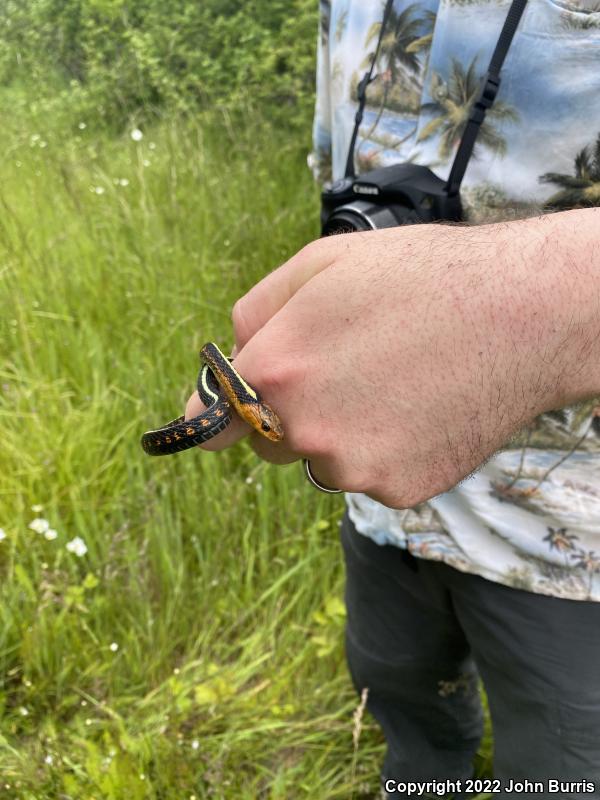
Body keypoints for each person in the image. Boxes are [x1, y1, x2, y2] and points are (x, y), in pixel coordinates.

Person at [186, 0, 600, 797]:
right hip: (377, 508)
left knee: (560, 770)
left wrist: (525, 306)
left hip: (570, 544)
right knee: (403, 712)